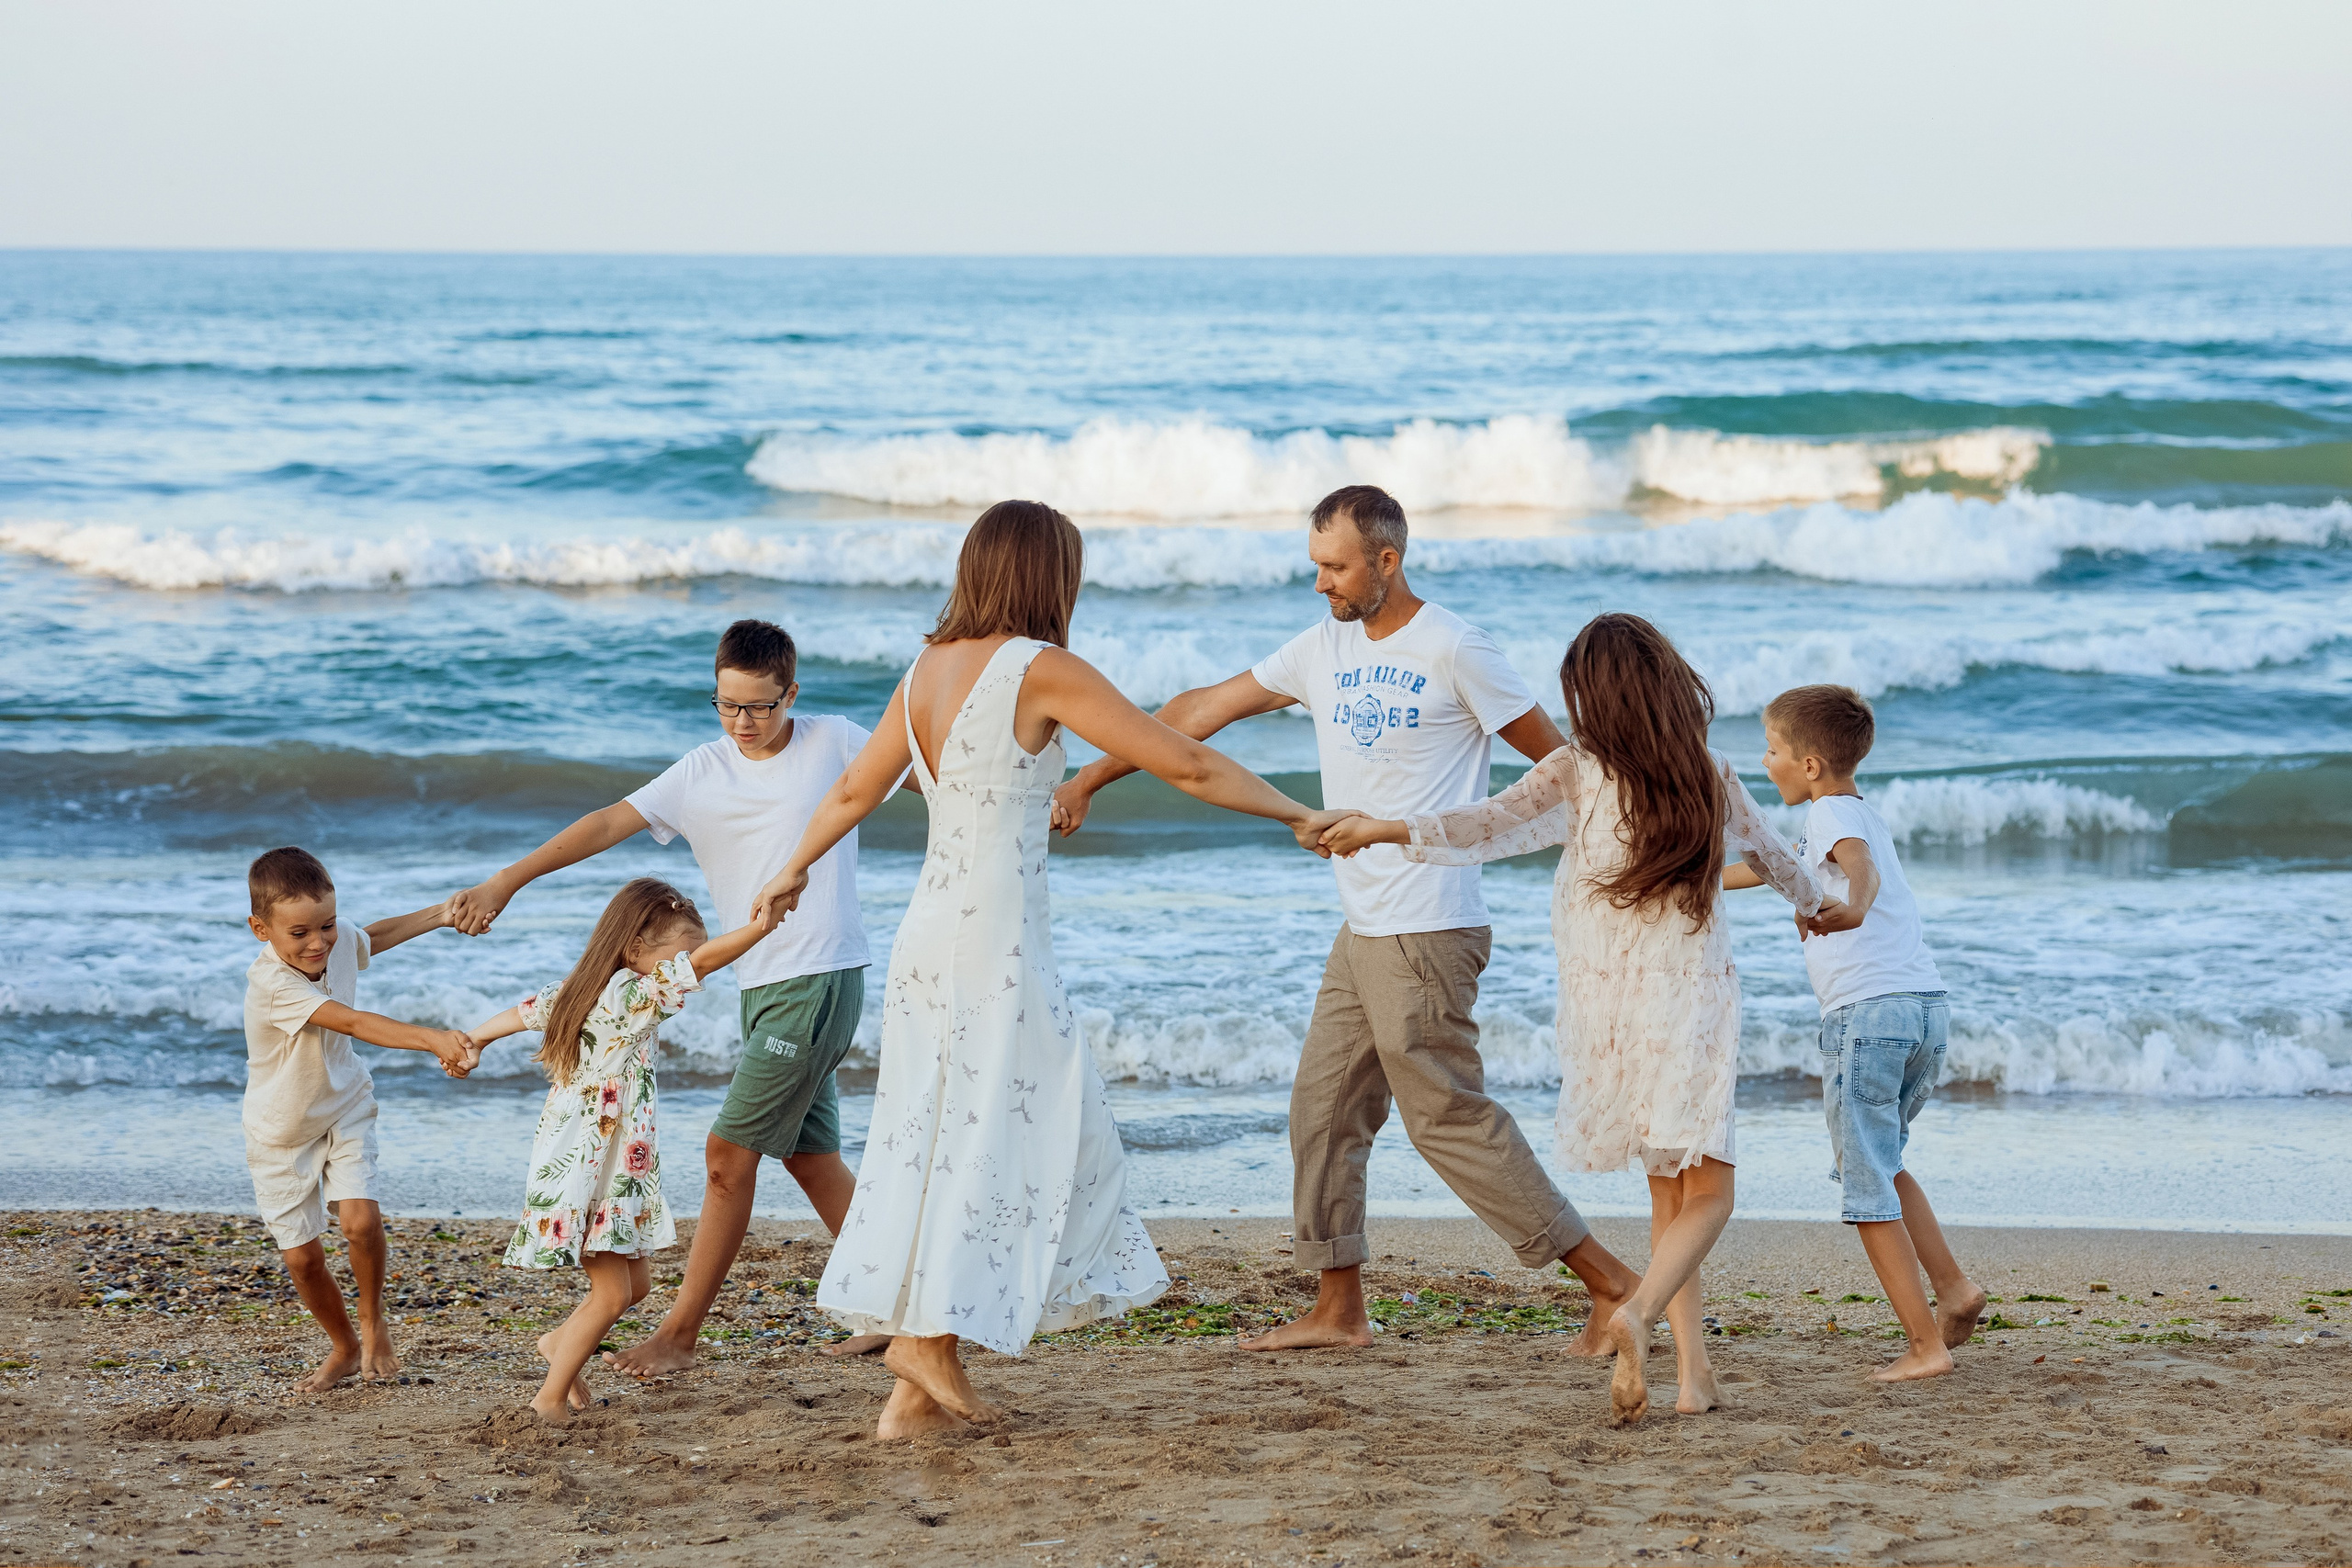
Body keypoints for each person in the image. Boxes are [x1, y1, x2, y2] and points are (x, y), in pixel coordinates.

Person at [751, 499, 1357, 1438]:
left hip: (929, 938)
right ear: (1046, 575)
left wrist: (791, 867)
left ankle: (913, 1396)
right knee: (1007, 1132)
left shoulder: (924, 672)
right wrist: (1294, 813)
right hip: (994, 937)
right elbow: (1184, 761)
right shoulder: (1040, 669)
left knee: (936, 1136)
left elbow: (852, 789)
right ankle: (929, 1343)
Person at [1053, 484, 1644, 1354]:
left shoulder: (1456, 647)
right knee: (1323, 1110)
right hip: (1364, 927)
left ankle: (1615, 1284)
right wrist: (1089, 778)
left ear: (1387, 561)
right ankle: (1340, 1309)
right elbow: (1192, 714)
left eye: (1335, 567)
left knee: (1446, 1116)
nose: (1322, 584)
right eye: (1316, 567)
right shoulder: (1318, 647)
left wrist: (1626, 854)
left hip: (1431, 926)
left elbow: (1559, 769)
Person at [1322, 614, 1824, 1424]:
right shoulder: (1709, 769)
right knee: (1714, 1194)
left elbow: (1483, 824)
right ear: (1667, 685)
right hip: (1687, 999)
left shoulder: (1577, 772)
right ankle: (1635, 1313)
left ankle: (1696, 1378)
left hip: (1607, 1010)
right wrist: (1823, 908)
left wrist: (1386, 827)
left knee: (1670, 1191)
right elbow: (1773, 855)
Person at [447, 618, 892, 1374]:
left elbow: (936, 770)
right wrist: (506, 880)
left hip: (818, 977)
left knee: (727, 1155)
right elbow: (605, 823)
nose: (743, 723)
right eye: (726, 705)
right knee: (811, 1157)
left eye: (760, 707)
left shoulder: (838, 740)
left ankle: (680, 1334)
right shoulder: (701, 771)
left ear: (793, 692)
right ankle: (899, 1307)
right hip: (759, 982)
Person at [1734, 683, 1984, 1380]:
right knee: (1882, 1161)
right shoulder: (1850, 812)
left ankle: (1924, 1346)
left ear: (1810, 764)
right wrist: (1681, 879)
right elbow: (1767, 868)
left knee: (1864, 1182)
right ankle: (1956, 1289)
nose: (1766, 759)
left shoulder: (1833, 813)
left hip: (1868, 1016)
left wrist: (1853, 909)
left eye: (1774, 748)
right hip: (1923, 1009)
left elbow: (1859, 872)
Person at [463, 877, 775, 1421]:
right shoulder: (629, 994)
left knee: (636, 1285)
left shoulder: (579, 990)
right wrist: (760, 927)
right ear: (634, 950)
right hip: (593, 1170)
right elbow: (705, 966)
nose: (686, 966)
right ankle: (549, 1397)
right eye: (679, 955)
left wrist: (473, 1041)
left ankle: (559, 1343)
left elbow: (520, 1013)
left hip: (597, 1163)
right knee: (611, 1295)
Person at [241, 846, 474, 1392]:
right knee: (302, 1259)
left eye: (325, 924)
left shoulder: (335, 937)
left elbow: (373, 937)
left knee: (360, 1223)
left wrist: (440, 914)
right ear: (261, 930)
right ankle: (343, 1347)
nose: (319, 942)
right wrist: (432, 1038)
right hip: (279, 1132)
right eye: (299, 933)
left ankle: (373, 1323)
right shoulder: (272, 985)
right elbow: (352, 1022)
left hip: (344, 1105)